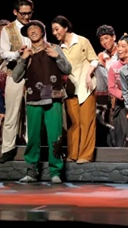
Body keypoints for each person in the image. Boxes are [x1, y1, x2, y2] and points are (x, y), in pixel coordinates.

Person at [12, 20, 72, 184]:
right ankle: (31, 172)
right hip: (33, 99)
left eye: (35, 28)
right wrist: (23, 59)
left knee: (55, 136)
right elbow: (16, 77)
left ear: (42, 31)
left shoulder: (54, 48)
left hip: (52, 97)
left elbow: (68, 69)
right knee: (33, 138)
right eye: (29, 29)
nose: (32, 31)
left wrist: (57, 56)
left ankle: (55, 172)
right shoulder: (27, 52)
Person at [51, 15, 99, 164]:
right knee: (73, 123)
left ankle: (86, 155)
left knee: (87, 121)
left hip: (86, 86)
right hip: (70, 88)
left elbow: (94, 59)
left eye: (57, 29)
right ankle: (73, 154)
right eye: (53, 30)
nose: (55, 33)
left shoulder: (82, 41)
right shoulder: (58, 48)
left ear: (65, 27)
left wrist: (89, 75)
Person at [0, 0, 34, 163]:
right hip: (14, 74)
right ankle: (8, 149)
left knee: (31, 114)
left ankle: (31, 147)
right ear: (15, 12)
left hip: (33, 75)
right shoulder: (8, 29)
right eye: (23, 13)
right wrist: (17, 53)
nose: (26, 16)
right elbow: (3, 52)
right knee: (12, 112)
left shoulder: (36, 27)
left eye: (29, 13)